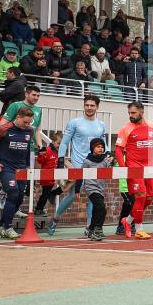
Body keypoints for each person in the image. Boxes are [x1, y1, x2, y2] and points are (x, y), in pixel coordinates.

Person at [47, 95, 107, 236]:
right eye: (87, 105)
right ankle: (55, 218)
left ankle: (89, 226)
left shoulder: (101, 125)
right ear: (84, 105)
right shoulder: (74, 122)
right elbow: (64, 142)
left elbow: (104, 144)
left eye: (92, 105)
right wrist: (61, 161)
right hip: (78, 163)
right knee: (73, 195)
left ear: (97, 107)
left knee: (94, 195)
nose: (89, 108)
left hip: (95, 164)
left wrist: (109, 154)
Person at [116, 102, 153, 239]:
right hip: (134, 168)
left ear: (141, 112)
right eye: (129, 113)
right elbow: (119, 150)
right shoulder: (126, 129)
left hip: (149, 169)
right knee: (141, 196)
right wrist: (124, 168)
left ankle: (127, 221)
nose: (130, 116)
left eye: (133, 113)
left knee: (149, 198)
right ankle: (139, 229)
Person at [0, 106, 35, 239]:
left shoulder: (29, 131)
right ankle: (8, 227)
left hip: (21, 168)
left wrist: (28, 165)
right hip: (6, 167)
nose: (27, 125)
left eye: (29, 122)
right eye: (25, 122)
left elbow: (28, 148)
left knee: (20, 198)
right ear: (18, 117)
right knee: (13, 192)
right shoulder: (3, 129)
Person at [82, 138, 112, 241]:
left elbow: (110, 170)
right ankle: (98, 230)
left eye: (102, 147)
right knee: (101, 208)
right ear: (92, 148)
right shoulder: (87, 161)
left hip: (100, 188)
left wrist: (112, 161)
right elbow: (81, 175)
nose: (101, 148)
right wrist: (77, 189)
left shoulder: (104, 160)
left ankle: (91, 229)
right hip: (91, 188)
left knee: (96, 210)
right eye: (98, 146)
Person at [34, 131, 63, 216]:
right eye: (58, 143)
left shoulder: (57, 152)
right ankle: (38, 209)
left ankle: (52, 194)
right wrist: (40, 154)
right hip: (46, 177)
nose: (59, 145)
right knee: (45, 194)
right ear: (53, 142)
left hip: (54, 176)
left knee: (65, 185)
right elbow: (40, 160)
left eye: (61, 143)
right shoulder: (47, 150)